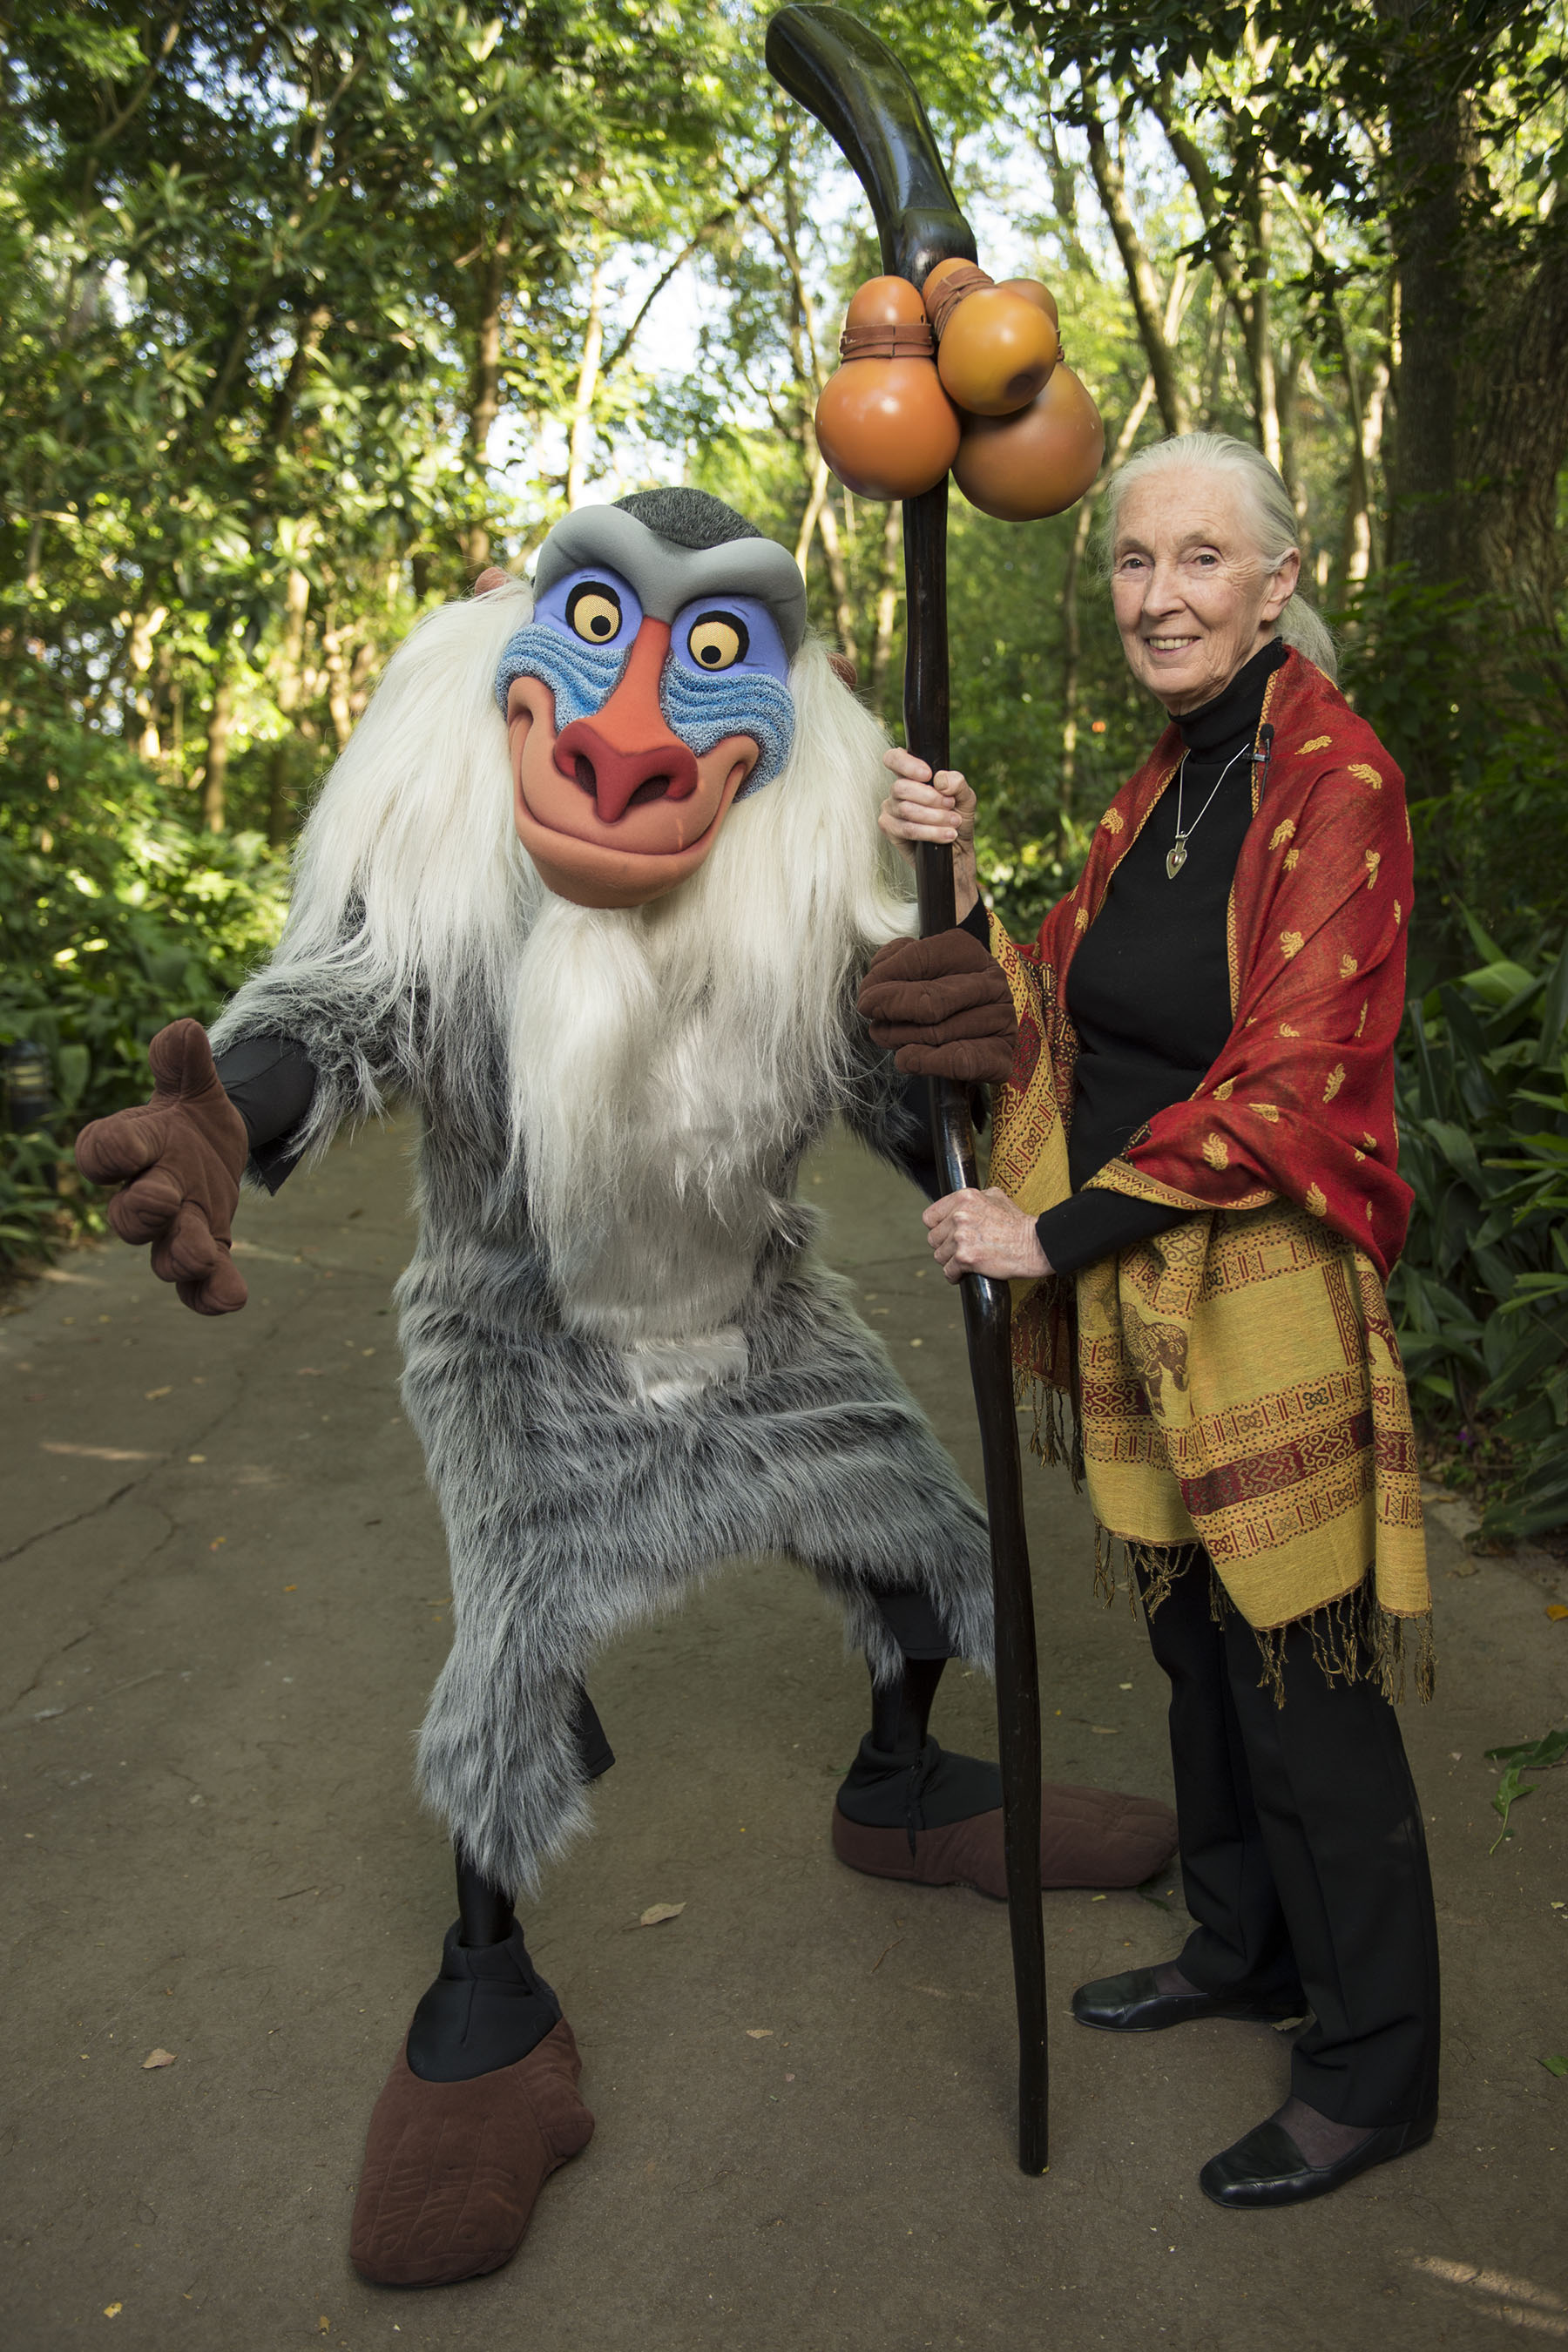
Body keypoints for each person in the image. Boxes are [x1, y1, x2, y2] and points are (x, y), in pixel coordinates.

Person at [74, 488, 1174, 2292]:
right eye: (600, 629)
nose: (630, 721)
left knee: (916, 1536)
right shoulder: (458, 881)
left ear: (778, 729)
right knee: (515, 1650)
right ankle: (485, 2000)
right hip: (516, 1329)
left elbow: (924, 1120)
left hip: (755, 1317)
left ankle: (904, 1788)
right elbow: (340, 1014)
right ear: (514, 656)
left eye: (709, 655)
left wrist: (987, 1064)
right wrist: (225, 1117)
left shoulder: (788, 903)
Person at [863, 432, 1439, 2211]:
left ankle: (1372, 2068)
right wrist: (955, 882)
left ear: (1277, 581)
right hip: (1138, 1285)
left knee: (1303, 1678)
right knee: (1196, 1651)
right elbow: (1061, 999)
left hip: (1255, 1290)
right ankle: (1239, 1945)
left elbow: (1287, 1083)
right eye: (1132, 561)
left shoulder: (1334, 783)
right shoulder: (1168, 778)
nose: (1159, 595)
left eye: (1200, 561)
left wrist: (1054, 1232)